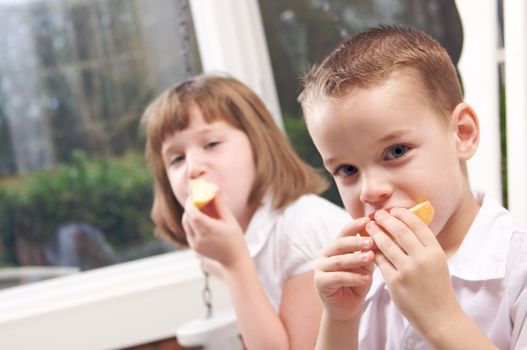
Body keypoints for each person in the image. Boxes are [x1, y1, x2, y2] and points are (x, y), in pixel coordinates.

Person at [298, 25, 527, 349]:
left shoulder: (517, 270)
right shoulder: (369, 279)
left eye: (396, 151)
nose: (371, 191)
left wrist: (441, 317)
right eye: (347, 170)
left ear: (462, 134)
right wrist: (340, 319)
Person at [140, 74, 349, 349]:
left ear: (258, 145)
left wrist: (235, 265)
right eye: (177, 158)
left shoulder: (304, 230)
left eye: (211, 144)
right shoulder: (247, 238)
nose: (193, 168)